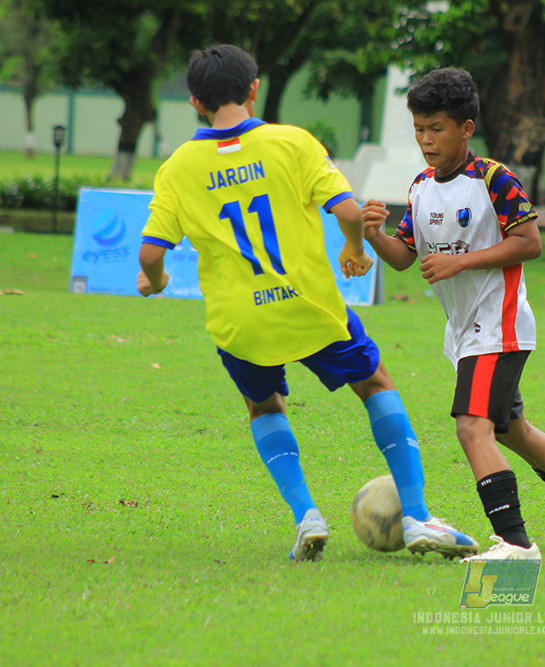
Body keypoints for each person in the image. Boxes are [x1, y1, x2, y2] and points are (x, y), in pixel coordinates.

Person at [135, 44, 478, 562]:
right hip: (311, 307)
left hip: (240, 321)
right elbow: (348, 211)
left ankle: (306, 516)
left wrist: (156, 279)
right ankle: (416, 515)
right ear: (254, 88)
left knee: (263, 405)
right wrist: (355, 248)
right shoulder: (292, 143)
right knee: (375, 383)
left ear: (195, 103)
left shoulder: (179, 167)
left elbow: (150, 253)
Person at [360, 68, 545, 561]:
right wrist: (375, 235)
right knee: (510, 430)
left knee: (472, 426)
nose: (425, 139)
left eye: (436, 128)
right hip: (464, 331)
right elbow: (404, 257)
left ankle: (516, 544)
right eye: (418, 128)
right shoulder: (420, 186)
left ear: (466, 128)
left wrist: (460, 261)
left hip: (499, 324)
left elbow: (529, 243)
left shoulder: (493, 179)